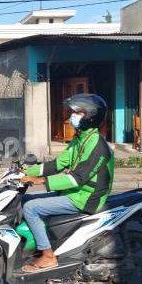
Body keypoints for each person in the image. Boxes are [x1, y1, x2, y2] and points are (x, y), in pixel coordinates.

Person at [20, 93, 114, 273]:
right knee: (24, 200)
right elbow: (58, 163)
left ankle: (48, 256)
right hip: (75, 192)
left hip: (86, 198)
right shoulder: (82, 138)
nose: (72, 116)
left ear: (90, 116)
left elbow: (76, 178)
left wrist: (41, 180)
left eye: (78, 112)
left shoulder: (97, 146)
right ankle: (40, 244)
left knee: (31, 208)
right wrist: (25, 171)